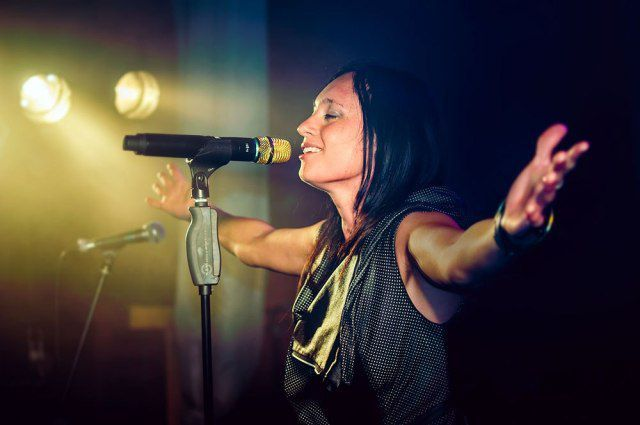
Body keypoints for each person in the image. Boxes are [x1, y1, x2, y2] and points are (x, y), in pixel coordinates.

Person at [146, 63, 589, 424]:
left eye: (330, 114)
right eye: (312, 113)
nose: (303, 126)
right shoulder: (332, 242)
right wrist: (191, 207)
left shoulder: (411, 228)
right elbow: (255, 242)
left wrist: (506, 229)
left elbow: (459, 258)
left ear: (387, 135)